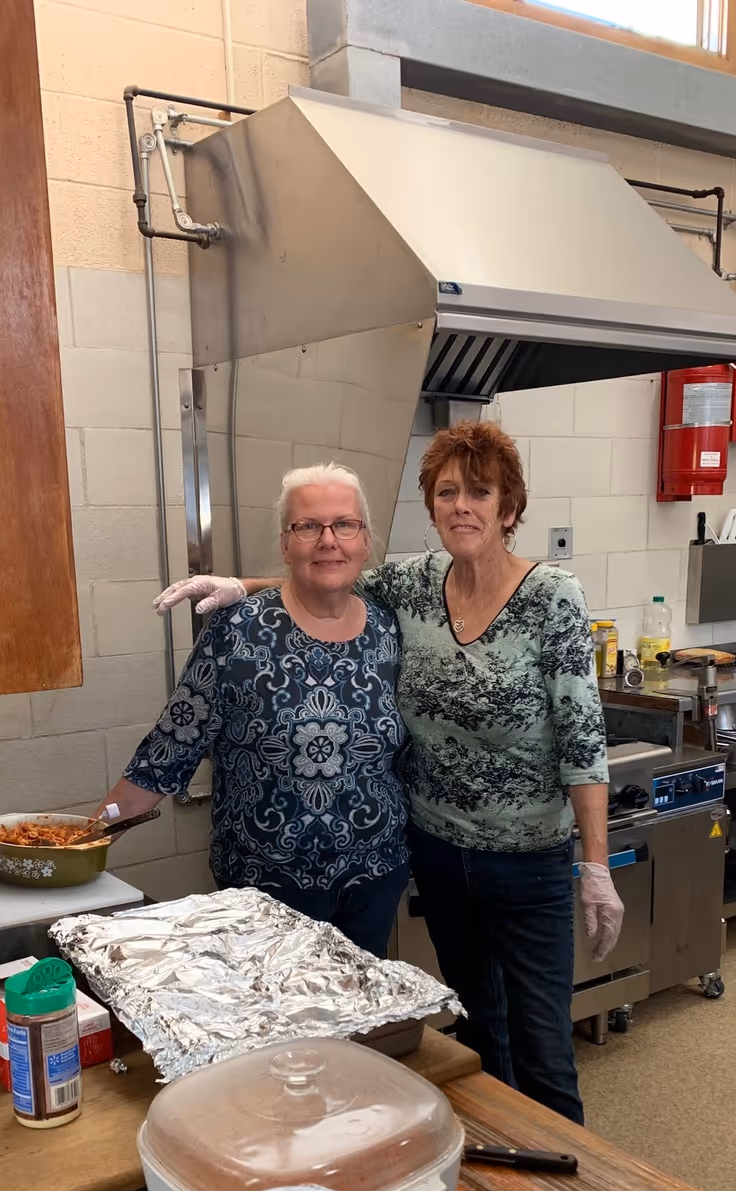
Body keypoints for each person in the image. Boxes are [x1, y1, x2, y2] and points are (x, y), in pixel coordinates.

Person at [155, 421, 622, 1125]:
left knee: (543, 1047)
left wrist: (596, 863)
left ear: (509, 508)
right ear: (431, 508)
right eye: (447, 492)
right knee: (477, 1029)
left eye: (480, 492)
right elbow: (325, 568)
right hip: (438, 853)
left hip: (527, 860)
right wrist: (239, 586)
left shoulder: (551, 596)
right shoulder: (414, 582)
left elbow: (582, 736)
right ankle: (495, 1171)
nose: (462, 506)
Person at [97, 463, 408, 957]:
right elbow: (168, 751)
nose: (329, 540)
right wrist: (82, 844)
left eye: (344, 524)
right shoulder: (237, 632)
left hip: (375, 879)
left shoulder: (391, 631)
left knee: (358, 1030)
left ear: (364, 541)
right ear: (286, 544)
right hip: (265, 893)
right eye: (307, 526)